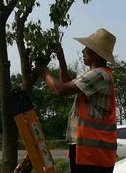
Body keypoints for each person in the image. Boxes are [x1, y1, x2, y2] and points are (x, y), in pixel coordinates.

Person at [36, 28, 117, 173]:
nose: (83, 52)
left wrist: (44, 71)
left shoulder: (99, 75)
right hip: (87, 152)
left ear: (96, 54)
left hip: (93, 156)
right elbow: (67, 84)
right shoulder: (96, 74)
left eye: (86, 49)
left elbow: (61, 89)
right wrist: (61, 61)